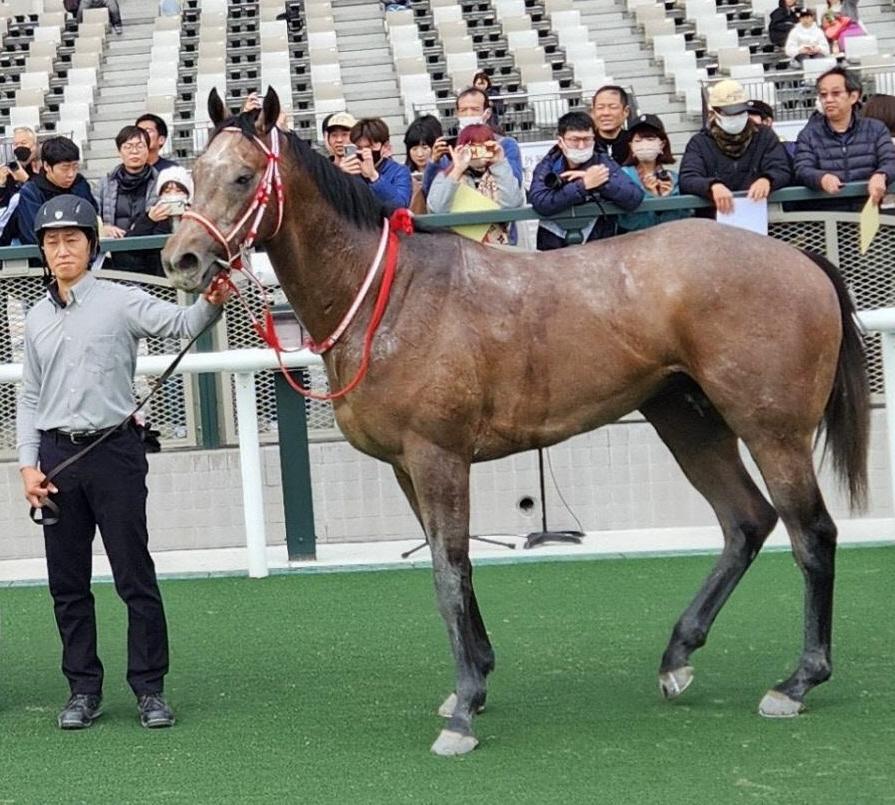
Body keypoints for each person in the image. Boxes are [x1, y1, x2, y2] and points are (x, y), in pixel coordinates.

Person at [17, 194, 230, 730]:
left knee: (134, 576)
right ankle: (82, 690)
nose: (61, 250)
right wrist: (26, 465)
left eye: (71, 240)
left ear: (91, 245)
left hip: (115, 453)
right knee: (68, 585)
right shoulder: (38, 316)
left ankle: (150, 689)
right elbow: (29, 396)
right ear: (42, 251)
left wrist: (213, 300)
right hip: (57, 458)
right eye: (51, 242)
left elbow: (182, 327)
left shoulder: (120, 299)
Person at [528, 110, 643, 250]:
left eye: (587, 139)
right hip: (553, 247)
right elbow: (540, 200)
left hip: (598, 244)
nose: (581, 146)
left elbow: (634, 197)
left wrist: (601, 183)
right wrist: (582, 186)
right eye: (575, 140)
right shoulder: (549, 163)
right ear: (560, 141)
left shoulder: (602, 160)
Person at [679, 79, 792, 217]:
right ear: (714, 112)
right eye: (730, 113)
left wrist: (767, 179)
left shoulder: (764, 135)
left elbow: (782, 168)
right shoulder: (699, 143)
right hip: (715, 223)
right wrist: (712, 186)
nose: (736, 117)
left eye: (740, 111)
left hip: (761, 216)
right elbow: (687, 179)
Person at [793, 67, 895, 211]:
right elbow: (802, 168)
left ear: (853, 96)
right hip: (826, 217)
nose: (828, 100)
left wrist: (881, 175)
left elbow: (890, 160)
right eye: (823, 95)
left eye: (836, 93)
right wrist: (821, 178)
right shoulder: (809, 134)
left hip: (870, 211)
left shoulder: (876, 129)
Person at [427, 123, 525, 245]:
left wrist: (499, 163)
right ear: (461, 148)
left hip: (497, 250)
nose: (478, 154)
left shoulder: (501, 174)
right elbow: (436, 208)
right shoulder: (446, 176)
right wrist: (457, 169)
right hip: (458, 247)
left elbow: (513, 204)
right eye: (473, 149)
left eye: (483, 148)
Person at [423, 87, 524, 195]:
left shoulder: (505, 144)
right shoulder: (450, 149)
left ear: (487, 113)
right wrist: (433, 162)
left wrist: (496, 161)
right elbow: (430, 192)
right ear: (457, 114)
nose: (469, 114)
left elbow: (515, 185)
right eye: (463, 110)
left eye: (475, 109)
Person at [11, 136, 98, 246]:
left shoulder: (80, 184)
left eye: (75, 167)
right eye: (65, 168)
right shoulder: (31, 192)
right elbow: (32, 234)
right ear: (47, 166)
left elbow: (92, 216)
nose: (71, 174)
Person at [616, 113, 691, 233]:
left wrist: (666, 199)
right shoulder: (623, 176)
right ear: (631, 146)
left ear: (662, 144)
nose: (644, 144)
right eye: (638, 140)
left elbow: (681, 220)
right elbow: (627, 222)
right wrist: (650, 196)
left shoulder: (673, 179)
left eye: (650, 139)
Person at [98, 126, 159, 265]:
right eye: (128, 146)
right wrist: (104, 228)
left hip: (151, 255)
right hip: (114, 256)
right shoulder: (105, 184)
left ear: (148, 150)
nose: (134, 151)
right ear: (119, 151)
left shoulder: (161, 183)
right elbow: (93, 215)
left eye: (140, 146)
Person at [124, 166, 192, 276]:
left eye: (178, 191)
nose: (173, 196)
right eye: (167, 191)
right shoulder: (151, 216)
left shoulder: (197, 217)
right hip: (159, 281)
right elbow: (132, 248)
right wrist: (149, 220)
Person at [340, 117, 412, 208]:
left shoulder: (399, 171)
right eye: (359, 148)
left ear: (385, 146)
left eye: (370, 147)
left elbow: (400, 204)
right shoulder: (351, 171)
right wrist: (340, 176)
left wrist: (374, 176)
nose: (365, 152)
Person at [403, 115, 443, 214]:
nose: (420, 154)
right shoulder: (403, 172)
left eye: (425, 148)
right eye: (414, 149)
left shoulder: (444, 169)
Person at [591, 85, 632, 164]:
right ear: (593, 112)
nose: (606, 113)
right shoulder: (585, 143)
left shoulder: (633, 142)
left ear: (626, 111)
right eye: (600, 107)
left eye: (613, 107)